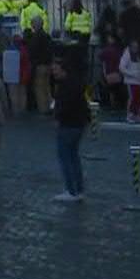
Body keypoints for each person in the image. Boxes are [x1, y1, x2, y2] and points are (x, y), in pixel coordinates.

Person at [50, 59, 89, 201]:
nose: (53, 73)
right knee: (74, 157)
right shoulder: (76, 83)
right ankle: (79, 189)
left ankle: (71, 190)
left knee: (65, 157)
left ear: (63, 69)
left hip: (68, 124)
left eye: (56, 70)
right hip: (79, 124)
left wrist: (57, 117)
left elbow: (65, 105)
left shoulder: (65, 86)